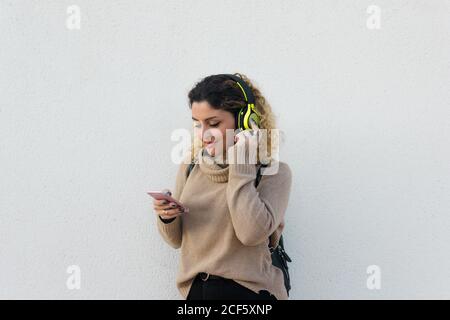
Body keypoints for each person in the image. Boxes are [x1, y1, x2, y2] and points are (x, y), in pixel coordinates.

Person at [152, 73, 292, 300]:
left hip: (249, 294)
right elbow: (176, 240)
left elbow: (250, 233)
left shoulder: (273, 173)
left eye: (214, 123)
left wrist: (242, 161)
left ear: (244, 121)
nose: (204, 134)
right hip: (198, 294)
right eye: (197, 124)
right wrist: (167, 217)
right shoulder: (191, 167)